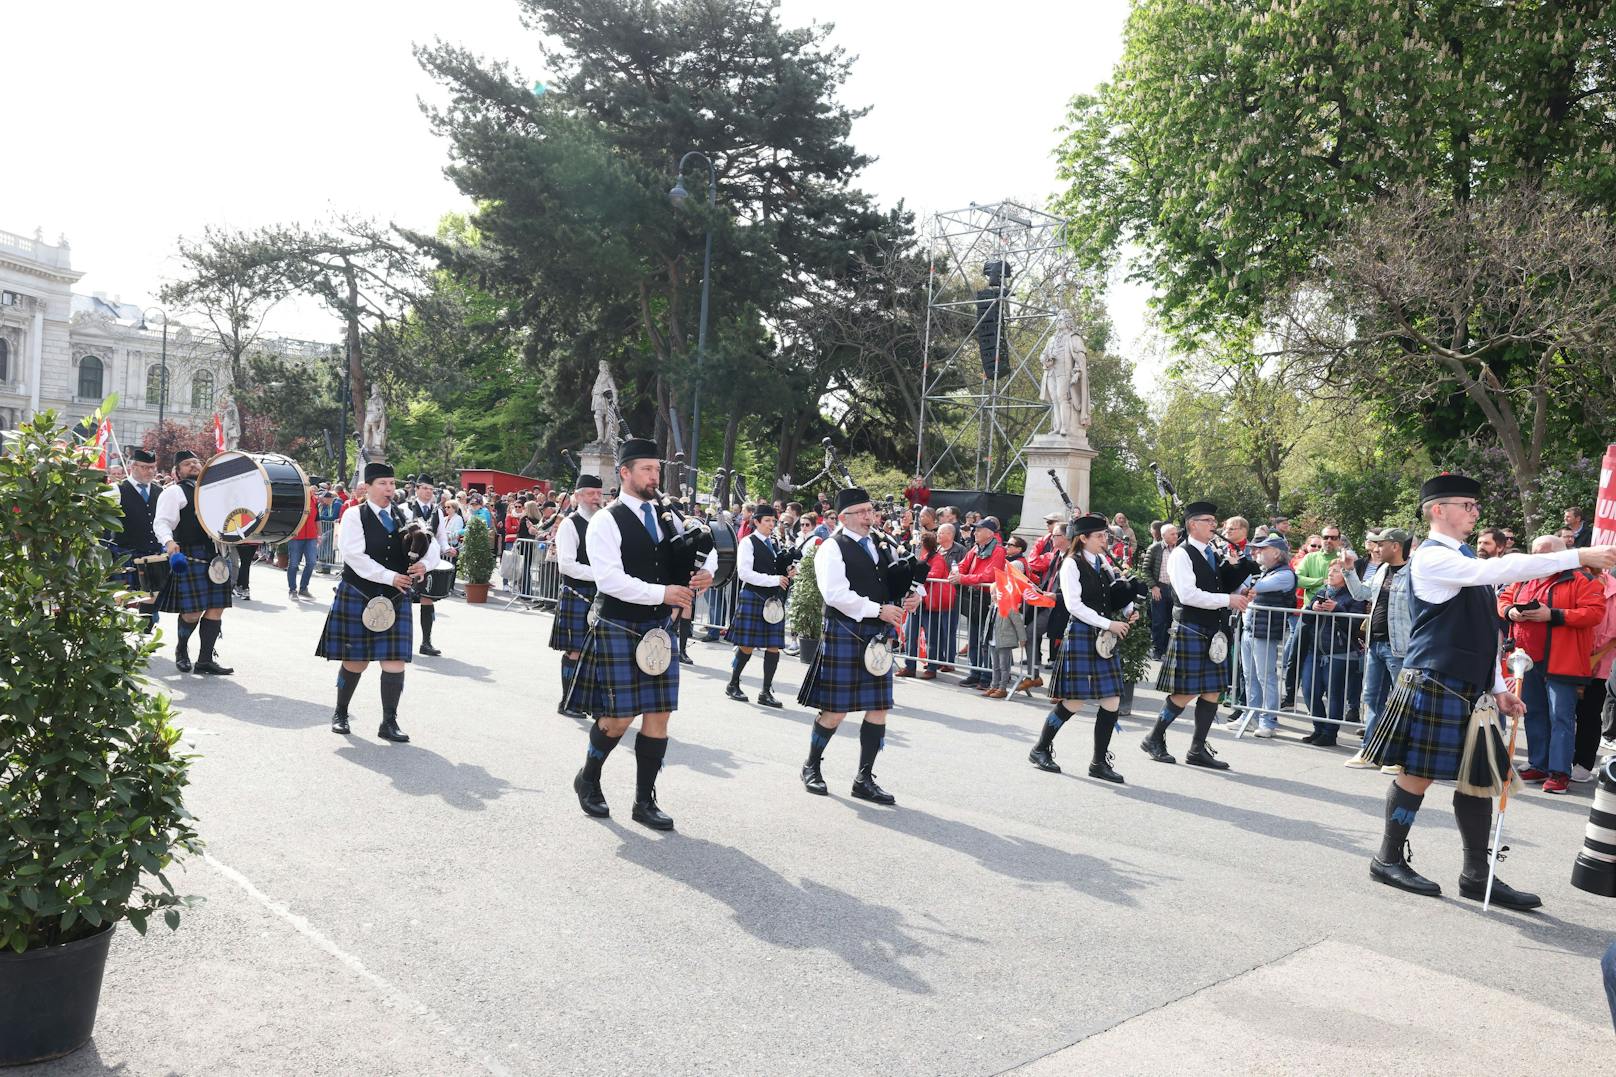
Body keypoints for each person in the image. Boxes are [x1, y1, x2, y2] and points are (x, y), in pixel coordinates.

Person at [1365, 473, 1616, 909]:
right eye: (1467, 505)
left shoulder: (1462, 556)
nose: (1475, 512)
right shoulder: (1431, 558)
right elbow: (1499, 568)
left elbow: (1483, 632)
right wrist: (1575, 554)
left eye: (1476, 506)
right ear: (1438, 510)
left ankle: (1477, 875)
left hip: (1470, 685)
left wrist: (1498, 687)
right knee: (1417, 773)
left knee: (1479, 778)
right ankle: (1387, 858)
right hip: (1436, 678)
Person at [570, 438, 715, 830]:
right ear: (625, 473)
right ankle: (589, 778)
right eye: (647, 470)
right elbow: (609, 580)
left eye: (657, 469)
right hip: (620, 623)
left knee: (660, 715)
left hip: (660, 628)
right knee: (619, 718)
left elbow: (703, 550)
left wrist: (707, 574)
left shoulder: (669, 516)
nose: (655, 476)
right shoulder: (606, 520)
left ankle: (643, 800)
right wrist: (663, 593)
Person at [798, 486, 924, 805]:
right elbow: (834, 594)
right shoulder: (832, 547)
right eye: (864, 512)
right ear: (844, 517)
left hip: (877, 636)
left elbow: (894, 582)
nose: (871, 517)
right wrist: (878, 609)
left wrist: (911, 596)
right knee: (835, 711)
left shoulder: (880, 544)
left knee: (879, 708)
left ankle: (864, 779)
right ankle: (811, 766)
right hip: (846, 631)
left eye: (871, 511)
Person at [317, 462, 438, 743]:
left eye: (392, 483)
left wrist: (424, 566)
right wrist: (389, 576)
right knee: (356, 661)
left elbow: (431, 545)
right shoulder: (353, 516)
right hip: (360, 593)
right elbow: (353, 555)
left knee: (395, 660)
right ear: (367, 487)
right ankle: (341, 712)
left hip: (395, 597)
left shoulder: (405, 514)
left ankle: (389, 722)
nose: (389, 489)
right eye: (383, 483)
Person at [1141, 501, 1254, 769]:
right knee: (1184, 693)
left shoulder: (1210, 552)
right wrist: (1229, 599)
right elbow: (1188, 594)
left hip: (1212, 629)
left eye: (1215, 521)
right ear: (1193, 524)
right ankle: (1153, 737)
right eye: (1209, 521)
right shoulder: (1182, 554)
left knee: (1213, 691)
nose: (1215, 526)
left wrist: (1234, 569)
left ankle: (1196, 749)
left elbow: (1214, 584)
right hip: (1191, 627)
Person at [1032, 513, 1135, 783]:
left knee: (1111, 701)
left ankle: (1099, 762)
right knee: (1074, 702)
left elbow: (1112, 592)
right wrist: (1109, 623)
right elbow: (1074, 605)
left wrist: (1129, 607)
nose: (1105, 540)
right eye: (1100, 536)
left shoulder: (1101, 561)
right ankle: (1040, 748)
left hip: (1102, 636)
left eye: (1105, 535)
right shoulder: (1071, 565)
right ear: (1083, 538)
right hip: (1081, 633)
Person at [1497, 535, 1604, 794]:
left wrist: (1553, 615)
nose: (1538, 558)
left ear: (1562, 553)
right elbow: (1502, 600)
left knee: (1561, 717)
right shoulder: (1525, 577)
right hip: (1527, 659)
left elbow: (1595, 612)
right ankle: (1539, 763)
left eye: (1544, 553)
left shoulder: (1583, 579)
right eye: (1535, 553)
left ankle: (1559, 772)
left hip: (1563, 660)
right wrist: (1510, 610)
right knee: (1532, 712)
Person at [153, 450, 234, 675]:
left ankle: (205, 660)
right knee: (192, 612)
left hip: (216, 556)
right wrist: (169, 542)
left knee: (216, 609)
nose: (195, 466)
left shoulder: (215, 493)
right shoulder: (175, 492)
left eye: (197, 463)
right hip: (191, 555)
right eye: (188, 464)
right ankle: (181, 650)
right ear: (177, 471)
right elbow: (161, 522)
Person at [1343, 529, 1413, 769]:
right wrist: (1349, 569)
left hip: (1400, 649)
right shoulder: (1382, 570)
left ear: (1395, 546)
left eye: (1380, 545)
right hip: (1376, 645)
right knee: (1372, 698)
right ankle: (1370, 751)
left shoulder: (1414, 573)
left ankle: (1399, 757)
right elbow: (1361, 593)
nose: (1375, 549)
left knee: (1401, 703)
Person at [723, 503, 796, 707]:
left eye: (773, 521)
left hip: (773, 600)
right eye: (767, 521)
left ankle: (765, 691)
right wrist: (774, 580)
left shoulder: (774, 543)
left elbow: (775, 568)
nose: (772, 525)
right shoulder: (748, 542)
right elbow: (745, 573)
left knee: (774, 647)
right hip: (754, 596)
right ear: (756, 522)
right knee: (746, 645)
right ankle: (733, 683)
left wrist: (787, 572)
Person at [550, 475, 604, 718]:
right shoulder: (570, 525)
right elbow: (567, 565)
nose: (596, 498)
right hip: (577, 593)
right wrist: (603, 575)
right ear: (579, 496)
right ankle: (567, 702)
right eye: (591, 493)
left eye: (598, 494)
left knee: (596, 652)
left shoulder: (603, 524)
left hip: (601, 595)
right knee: (575, 650)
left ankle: (589, 702)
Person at [1237, 534, 1297, 738]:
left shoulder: (1285, 574)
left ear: (1276, 553)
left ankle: (1267, 721)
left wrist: (1244, 576)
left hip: (1265, 632)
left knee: (1266, 677)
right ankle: (1250, 717)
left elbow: (1252, 589)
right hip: (1251, 629)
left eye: (1263, 549)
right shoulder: (1267, 572)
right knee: (1249, 676)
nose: (1257, 552)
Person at [1302, 562, 1366, 748]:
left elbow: (1355, 626)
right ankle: (1318, 727)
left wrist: (1337, 610)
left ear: (1346, 576)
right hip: (1315, 650)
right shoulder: (1323, 591)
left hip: (1340, 653)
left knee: (1335, 695)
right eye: (1329, 570)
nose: (1330, 573)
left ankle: (1330, 733)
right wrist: (1311, 608)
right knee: (1309, 691)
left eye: (1335, 571)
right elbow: (1305, 619)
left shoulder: (1355, 596)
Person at [109, 447, 164, 633]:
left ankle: (144, 634)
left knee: (151, 597)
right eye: (145, 467)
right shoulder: (117, 490)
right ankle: (121, 635)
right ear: (133, 467)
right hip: (126, 553)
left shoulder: (160, 491)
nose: (150, 471)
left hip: (154, 555)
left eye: (153, 467)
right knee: (124, 598)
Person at [951, 517, 1006, 687]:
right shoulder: (976, 548)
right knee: (973, 638)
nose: (975, 532)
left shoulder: (998, 550)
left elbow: (990, 576)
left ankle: (987, 676)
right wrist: (956, 574)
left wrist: (962, 578)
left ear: (989, 533)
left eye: (979, 530)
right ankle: (974, 672)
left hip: (988, 599)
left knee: (985, 639)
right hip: (975, 598)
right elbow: (962, 564)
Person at [405, 477, 451, 656]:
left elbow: (441, 536)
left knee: (427, 599)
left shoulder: (437, 511)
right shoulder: (406, 508)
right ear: (417, 489)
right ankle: (403, 640)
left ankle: (426, 642)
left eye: (431, 489)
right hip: (408, 562)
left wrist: (447, 548)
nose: (428, 492)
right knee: (404, 600)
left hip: (429, 563)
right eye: (424, 488)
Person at [1139, 523, 1179, 659]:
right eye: (1172, 534)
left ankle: (1168, 650)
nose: (1176, 536)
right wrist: (1153, 586)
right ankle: (1157, 649)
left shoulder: (1180, 549)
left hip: (1175, 590)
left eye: (1176, 533)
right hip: (1160, 589)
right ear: (1163, 536)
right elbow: (1145, 570)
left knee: (1171, 620)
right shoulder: (1154, 548)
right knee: (1158, 621)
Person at [286, 485, 320, 599]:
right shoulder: (296, 498)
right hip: (296, 536)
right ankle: (292, 590)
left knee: (311, 563)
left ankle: (303, 588)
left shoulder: (314, 500)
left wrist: (319, 534)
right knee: (294, 564)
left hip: (311, 536)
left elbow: (317, 518)